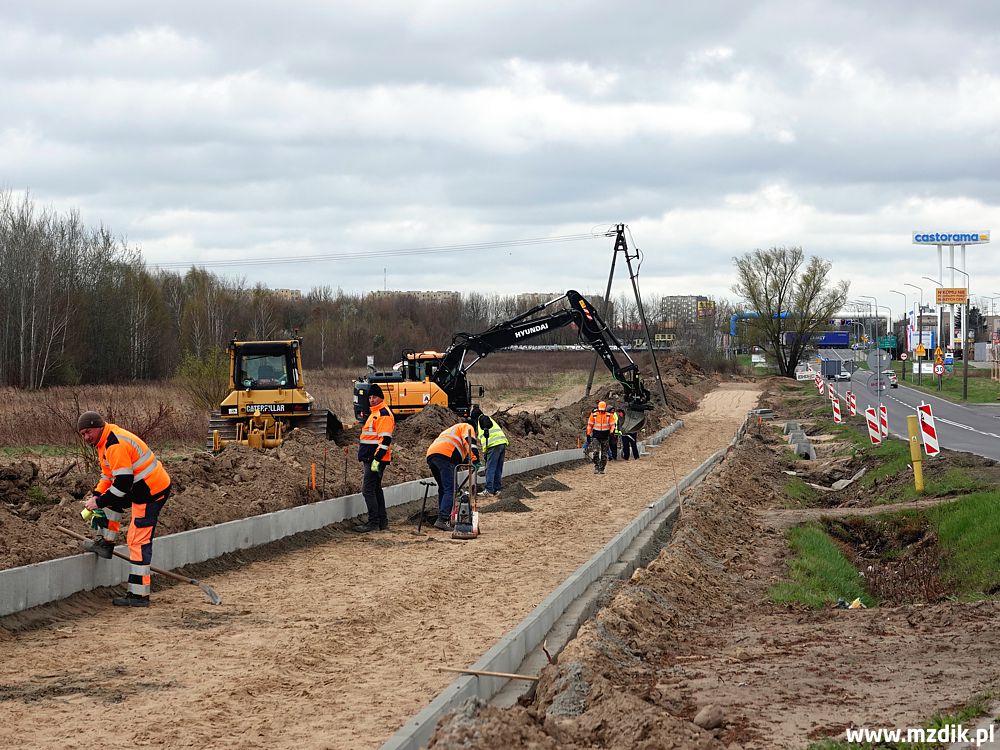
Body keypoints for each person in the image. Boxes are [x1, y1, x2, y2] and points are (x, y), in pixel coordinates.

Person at [77, 411, 172, 608]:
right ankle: (105, 543)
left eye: (88, 432)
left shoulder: (114, 444)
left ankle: (139, 595)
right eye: (82, 434)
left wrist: (99, 503)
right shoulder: (103, 442)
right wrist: (97, 495)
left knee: (137, 541)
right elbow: (108, 476)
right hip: (138, 487)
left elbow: (122, 483)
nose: (86, 438)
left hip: (150, 492)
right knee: (109, 502)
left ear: (98, 427)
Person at [426, 421, 480, 531]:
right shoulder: (467, 426)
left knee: (443, 488)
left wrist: (468, 461)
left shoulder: (451, 430)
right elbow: (470, 442)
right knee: (451, 489)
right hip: (445, 455)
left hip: (432, 455)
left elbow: (458, 452)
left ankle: (443, 517)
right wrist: (475, 459)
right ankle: (442, 519)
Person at [355, 383, 394, 532]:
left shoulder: (383, 414)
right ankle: (382, 521)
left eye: (375, 397)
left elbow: (385, 440)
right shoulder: (375, 413)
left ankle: (373, 522)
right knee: (375, 489)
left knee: (368, 490)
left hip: (375, 458)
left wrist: (377, 459)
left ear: (381, 398)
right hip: (371, 457)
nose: (371, 400)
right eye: (370, 397)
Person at [470, 405, 508, 497]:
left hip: (493, 445)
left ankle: (489, 490)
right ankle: (497, 489)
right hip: (501, 443)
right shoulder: (488, 419)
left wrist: (486, 429)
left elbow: (487, 424)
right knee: (497, 468)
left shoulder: (482, 418)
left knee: (490, 468)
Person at [586, 401, 614, 474]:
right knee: (596, 452)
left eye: (603, 410)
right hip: (596, 436)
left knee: (604, 454)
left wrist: (611, 432)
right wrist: (588, 434)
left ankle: (602, 468)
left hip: (605, 436)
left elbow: (612, 425)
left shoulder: (609, 416)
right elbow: (589, 425)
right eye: (600, 409)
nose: (601, 411)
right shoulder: (594, 415)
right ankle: (596, 466)